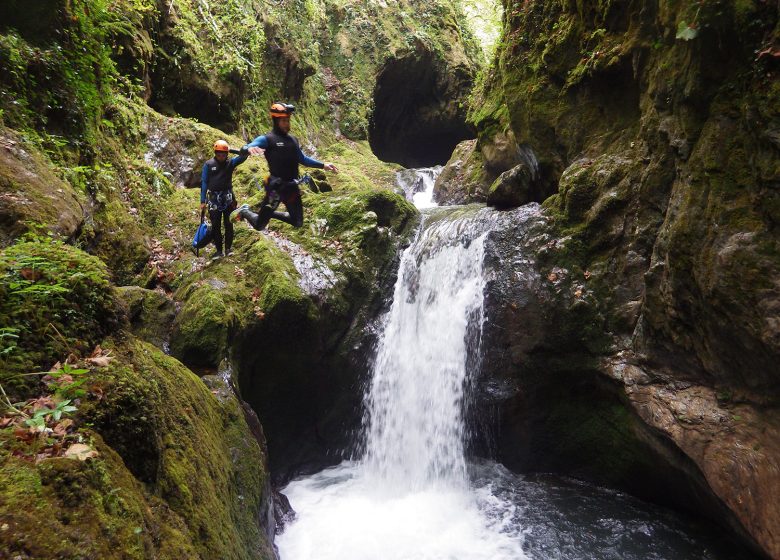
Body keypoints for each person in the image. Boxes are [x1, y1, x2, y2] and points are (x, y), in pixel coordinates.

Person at [230, 102, 337, 230]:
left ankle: (270, 214)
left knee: (297, 222)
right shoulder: (267, 139)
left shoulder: (293, 140)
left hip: (291, 187)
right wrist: (248, 149)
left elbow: (302, 159)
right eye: (284, 121)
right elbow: (249, 146)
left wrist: (323, 165)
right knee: (259, 225)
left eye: (288, 120)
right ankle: (245, 211)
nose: (287, 124)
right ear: (276, 121)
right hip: (275, 188)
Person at [201, 139, 248, 258]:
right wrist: (202, 201)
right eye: (218, 153)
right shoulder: (208, 164)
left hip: (228, 198)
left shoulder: (231, 163)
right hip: (213, 199)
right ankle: (219, 251)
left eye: (223, 154)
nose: (221, 156)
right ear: (215, 153)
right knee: (215, 225)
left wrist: (231, 149)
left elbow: (244, 156)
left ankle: (228, 249)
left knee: (229, 224)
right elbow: (205, 182)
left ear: (227, 154)